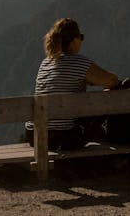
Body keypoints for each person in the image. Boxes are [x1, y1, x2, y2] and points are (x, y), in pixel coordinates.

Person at [25, 17, 118, 150]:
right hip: (62, 137)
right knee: (108, 96)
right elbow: (112, 81)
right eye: (81, 37)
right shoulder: (79, 63)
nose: (81, 41)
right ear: (74, 41)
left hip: (34, 135)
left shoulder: (46, 62)